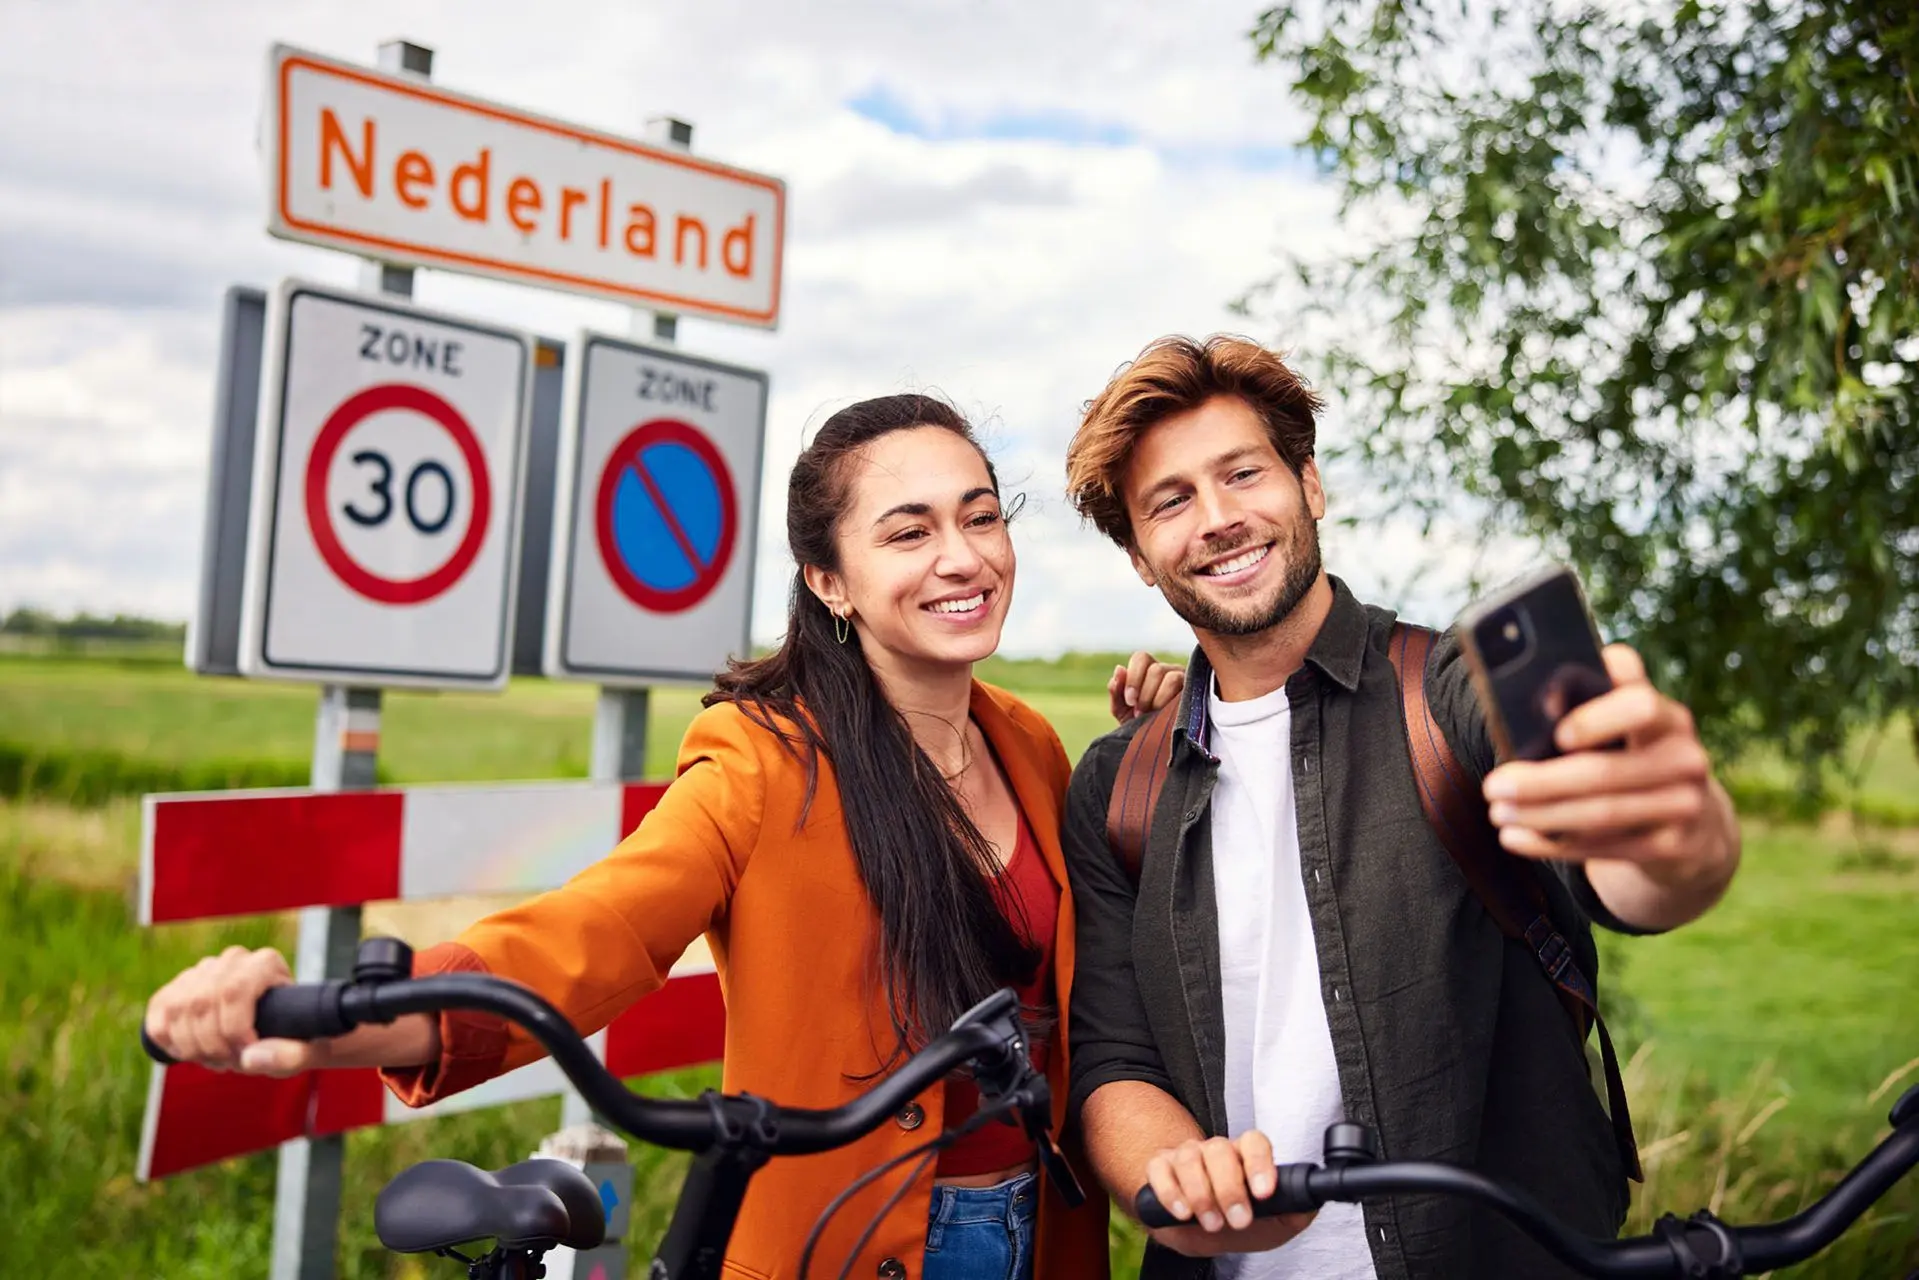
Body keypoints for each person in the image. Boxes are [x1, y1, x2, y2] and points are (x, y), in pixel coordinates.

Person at [144, 393, 1187, 1280]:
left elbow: (1109, 936)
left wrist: (1168, 741)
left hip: (1045, 1227)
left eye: (979, 517)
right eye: (907, 531)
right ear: (829, 579)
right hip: (843, 1238)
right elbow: (597, 929)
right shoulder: (760, 755)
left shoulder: (1030, 742)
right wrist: (335, 1021)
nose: (961, 556)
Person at [1058, 336, 1743, 1280]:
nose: (1216, 519)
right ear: (1139, 555)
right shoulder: (1114, 785)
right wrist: (1179, 1188)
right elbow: (1112, 1056)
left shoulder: (1448, 694)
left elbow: (1629, 875)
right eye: (1169, 501)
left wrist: (1673, 835)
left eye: (1242, 474)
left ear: (1309, 484)